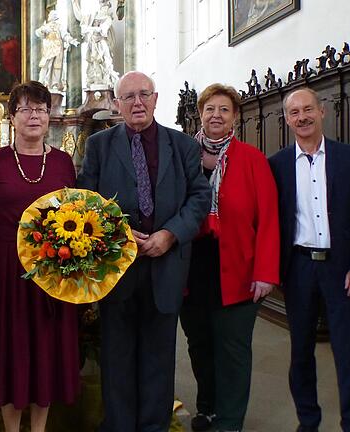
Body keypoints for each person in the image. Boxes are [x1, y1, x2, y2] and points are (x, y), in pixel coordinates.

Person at [76, 71, 211, 431]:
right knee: (116, 357)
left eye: (143, 95)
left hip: (166, 265)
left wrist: (171, 234)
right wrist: (118, 234)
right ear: (118, 105)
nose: (137, 102)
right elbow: (85, 199)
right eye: (129, 97)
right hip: (118, 269)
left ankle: (154, 426)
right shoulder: (100, 146)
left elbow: (200, 196)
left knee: (159, 357)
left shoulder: (182, 145)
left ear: (155, 99)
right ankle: (118, 425)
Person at [0, 80, 80, 432]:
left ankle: (39, 429)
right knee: (10, 351)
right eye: (26, 109)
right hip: (5, 271)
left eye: (41, 109)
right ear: (12, 117)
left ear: (49, 117)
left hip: (52, 269)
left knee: (46, 350)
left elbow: (76, 218)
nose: (34, 115)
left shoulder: (63, 163)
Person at [268, 87, 350, 432]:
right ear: (286, 119)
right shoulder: (278, 165)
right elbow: (272, 221)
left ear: (322, 111)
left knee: (347, 350)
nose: (302, 117)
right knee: (300, 351)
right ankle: (308, 421)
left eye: (308, 109)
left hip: (342, 267)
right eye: (294, 112)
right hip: (298, 268)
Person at [179, 84, 280, 432]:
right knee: (200, 347)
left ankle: (229, 422)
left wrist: (265, 272)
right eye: (210, 109)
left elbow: (268, 219)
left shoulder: (252, 159)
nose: (216, 116)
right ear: (200, 114)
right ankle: (207, 409)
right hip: (191, 273)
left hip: (236, 272)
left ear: (235, 116)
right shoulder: (183, 156)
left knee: (232, 352)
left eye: (224, 110)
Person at [75, 0, 119, 89]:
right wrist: (75, 4)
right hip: (92, 42)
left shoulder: (108, 18)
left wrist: (90, 29)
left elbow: (103, 30)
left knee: (105, 61)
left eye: (106, 5)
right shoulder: (93, 16)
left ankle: (106, 81)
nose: (104, 7)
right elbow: (80, 17)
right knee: (93, 61)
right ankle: (97, 80)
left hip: (102, 42)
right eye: (102, 4)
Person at [34, 10, 78, 92]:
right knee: (45, 65)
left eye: (53, 15)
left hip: (58, 49)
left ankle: (54, 84)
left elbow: (65, 35)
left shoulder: (59, 26)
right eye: (51, 15)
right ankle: (42, 83)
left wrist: (72, 41)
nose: (51, 17)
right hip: (48, 49)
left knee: (56, 67)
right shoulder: (46, 26)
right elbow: (38, 32)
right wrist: (42, 31)